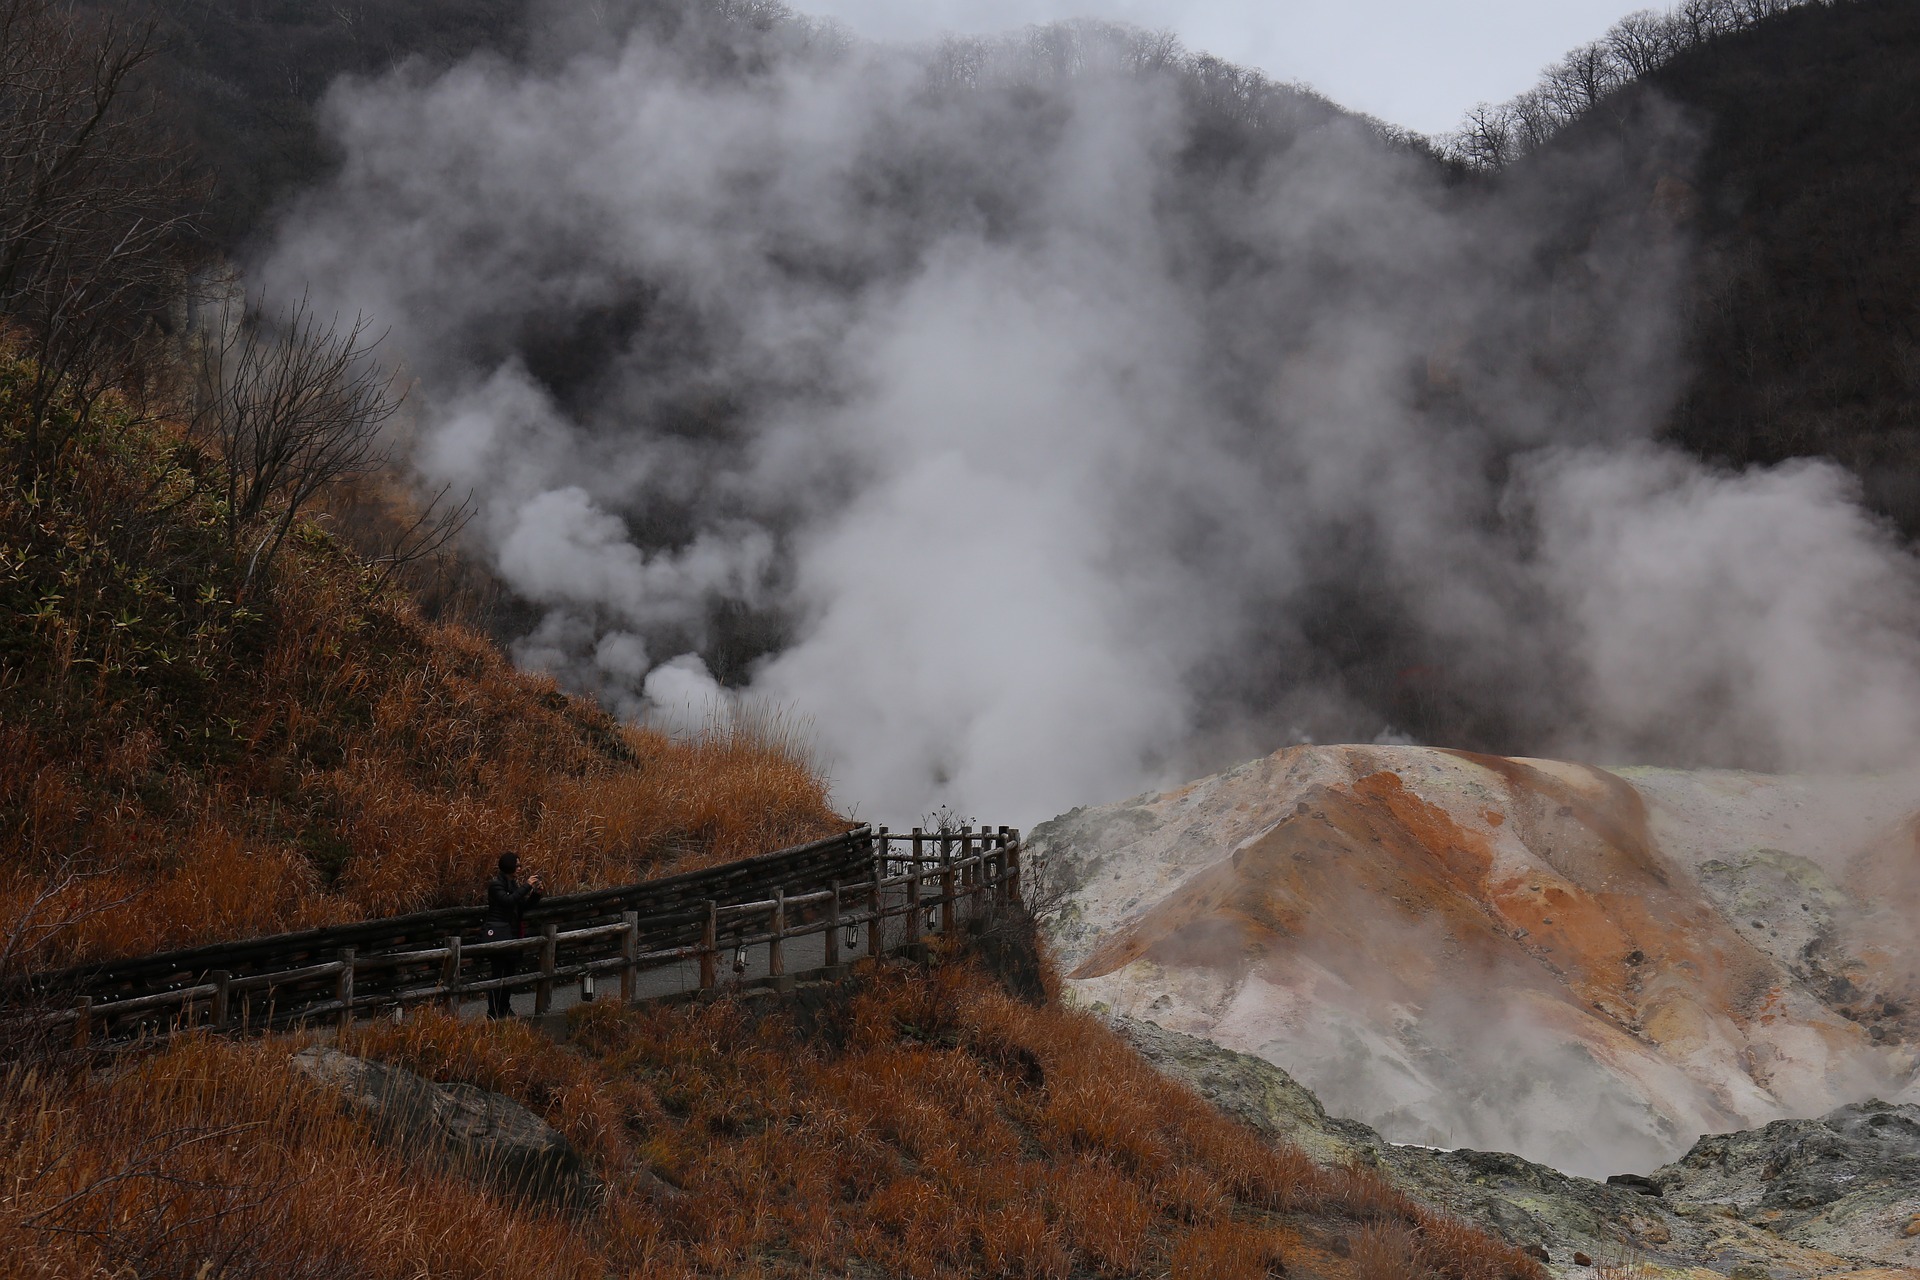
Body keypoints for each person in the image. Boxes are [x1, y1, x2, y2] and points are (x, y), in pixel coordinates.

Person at [482, 852, 542, 1018]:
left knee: (509, 974)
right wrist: (527, 886)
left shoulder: (514, 885)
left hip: (512, 933)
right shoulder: (495, 885)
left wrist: (536, 895)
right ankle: (493, 1011)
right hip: (499, 935)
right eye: (517, 865)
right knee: (498, 974)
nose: (519, 868)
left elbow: (521, 907)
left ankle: (505, 1007)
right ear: (508, 866)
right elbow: (507, 901)